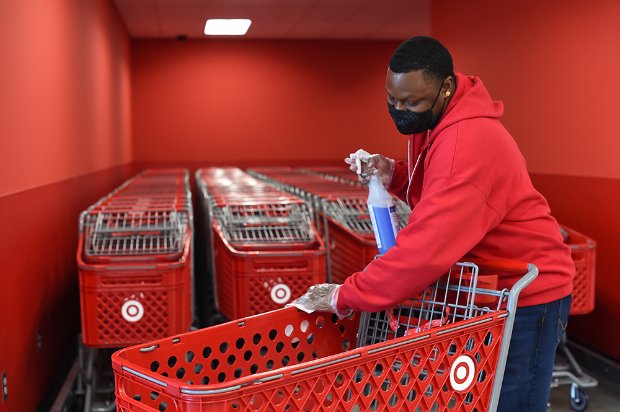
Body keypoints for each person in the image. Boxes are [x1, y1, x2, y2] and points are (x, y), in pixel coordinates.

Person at [292, 36, 574, 411]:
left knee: (510, 403)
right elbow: (437, 183)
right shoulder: (444, 117)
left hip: (526, 295)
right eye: (392, 99)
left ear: (444, 88)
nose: (399, 109)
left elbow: (423, 252)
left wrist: (344, 295)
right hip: (485, 289)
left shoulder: (468, 144)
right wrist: (393, 173)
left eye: (411, 102)